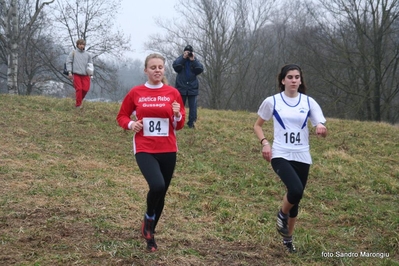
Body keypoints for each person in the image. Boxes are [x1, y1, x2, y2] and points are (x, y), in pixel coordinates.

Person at [253, 64, 328, 253]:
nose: (294, 80)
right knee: (295, 190)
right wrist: (265, 143)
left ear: (300, 80)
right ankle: (282, 214)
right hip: (280, 154)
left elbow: (319, 123)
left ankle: (288, 240)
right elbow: (257, 126)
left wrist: (321, 128)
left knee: (296, 198)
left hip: (302, 155)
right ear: (283, 80)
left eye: (297, 77)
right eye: (290, 77)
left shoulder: (309, 102)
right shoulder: (272, 101)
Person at [116, 53, 186, 252]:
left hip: (168, 149)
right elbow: (121, 115)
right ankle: (149, 216)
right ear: (146, 70)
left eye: (160, 67)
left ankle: (150, 235)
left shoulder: (173, 93)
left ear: (164, 70)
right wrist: (131, 124)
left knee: (161, 193)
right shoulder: (136, 92)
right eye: (153, 67)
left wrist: (177, 114)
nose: (157, 70)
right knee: (157, 185)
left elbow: (179, 125)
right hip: (145, 148)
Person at [172, 45, 204, 128]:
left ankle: (192, 123)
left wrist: (193, 60)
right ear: (184, 52)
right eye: (186, 52)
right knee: (179, 107)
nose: (188, 53)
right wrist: (183, 57)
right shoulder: (180, 59)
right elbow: (175, 67)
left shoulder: (194, 60)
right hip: (181, 87)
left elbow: (200, 69)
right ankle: (179, 122)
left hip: (192, 88)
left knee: (193, 108)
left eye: (189, 52)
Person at [65, 39, 93, 108]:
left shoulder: (88, 54)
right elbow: (68, 62)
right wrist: (69, 72)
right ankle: (78, 105)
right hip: (76, 74)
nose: (81, 46)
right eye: (80, 44)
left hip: (85, 75)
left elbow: (90, 64)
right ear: (77, 45)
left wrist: (91, 73)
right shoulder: (73, 53)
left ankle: (79, 100)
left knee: (85, 89)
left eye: (83, 44)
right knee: (79, 89)